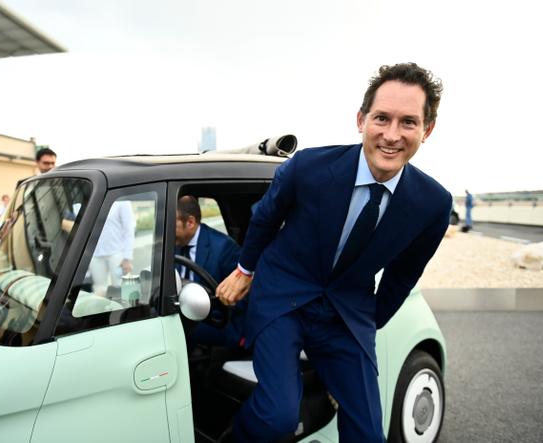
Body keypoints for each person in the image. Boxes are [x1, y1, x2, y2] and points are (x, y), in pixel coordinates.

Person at [216, 63, 452, 443]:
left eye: (408, 122)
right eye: (382, 118)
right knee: (278, 416)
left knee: (368, 433)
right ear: (361, 120)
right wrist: (245, 270)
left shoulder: (434, 204)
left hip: (347, 312)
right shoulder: (308, 167)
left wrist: (366, 324)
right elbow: (265, 217)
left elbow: (404, 274)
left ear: (427, 130)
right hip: (284, 296)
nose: (392, 135)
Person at [175, 196, 242, 348]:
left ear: (190, 222)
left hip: (214, 324)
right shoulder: (173, 243)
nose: (168, 230)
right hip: (181, 317)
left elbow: (240, 300)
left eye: (173, 224)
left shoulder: (224, 248)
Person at [89, 200, 135, 297]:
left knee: (121, 288)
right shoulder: (93, 200)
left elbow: (129, 229)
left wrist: (127, 258)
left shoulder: (122, 201)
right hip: (96, 254)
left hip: (117, 253)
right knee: (99, 290)